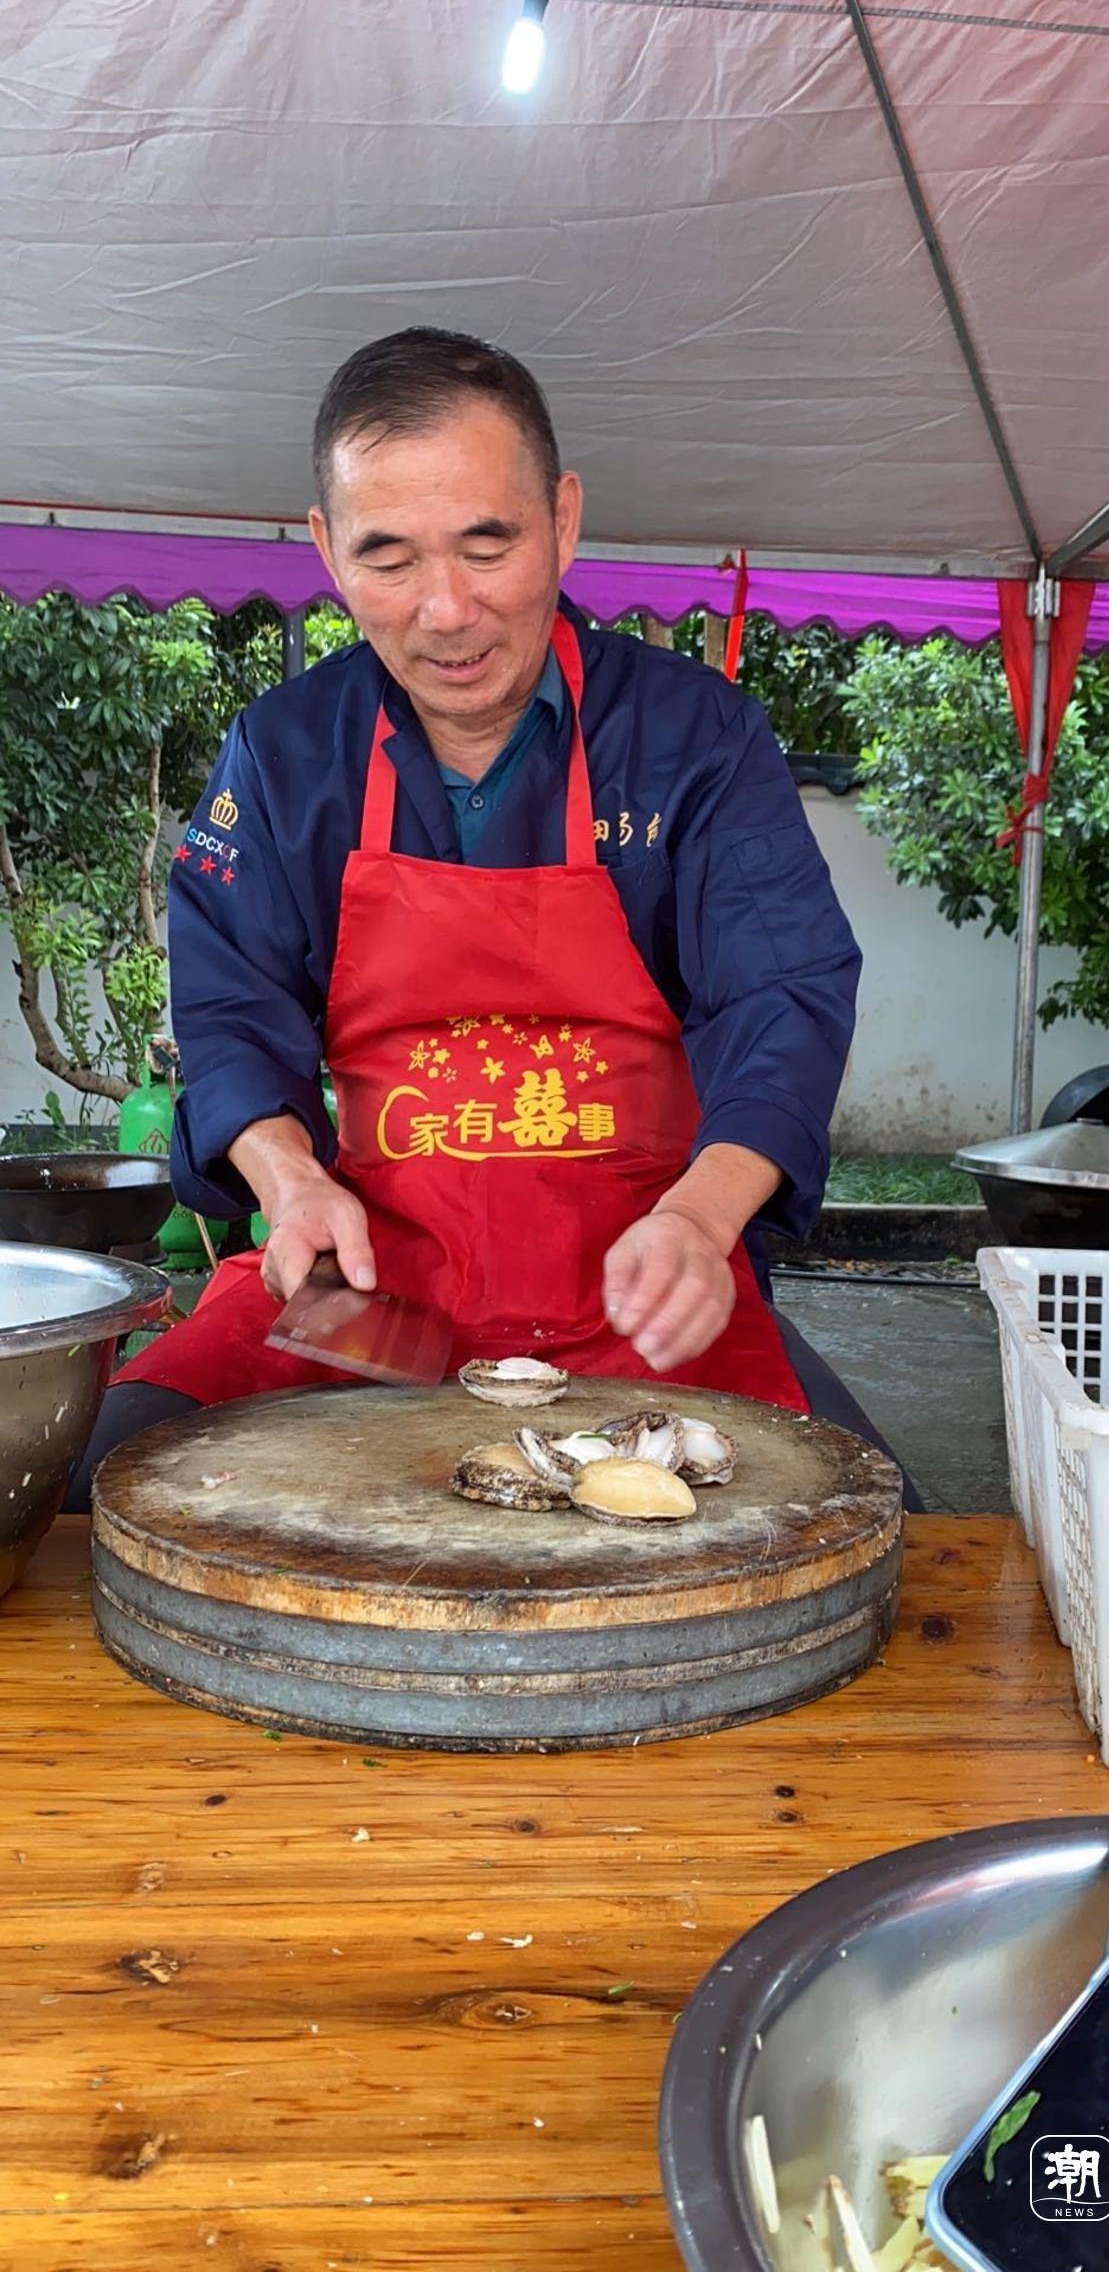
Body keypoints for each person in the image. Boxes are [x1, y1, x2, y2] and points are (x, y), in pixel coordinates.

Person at [69, 328, 918, 1508]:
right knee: (80, 1490)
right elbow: (229, 1008)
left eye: (487, 543)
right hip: (368, 1296)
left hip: (642, 1288)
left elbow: (782, 994)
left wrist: (702, 1215)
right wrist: (287, 1178)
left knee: (876, 1532)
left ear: (563, 519)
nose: (446, 610)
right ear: (324, 549)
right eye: (387, 556)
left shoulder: (694, 739)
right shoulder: (282, 755)